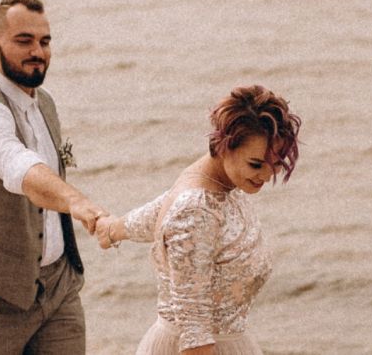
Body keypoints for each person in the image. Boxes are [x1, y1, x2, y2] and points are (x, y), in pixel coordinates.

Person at [0, 0, 107, 354]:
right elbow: (19, 166)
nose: (38, 51)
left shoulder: (44, 103)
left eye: (45, 41)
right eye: (24, 41)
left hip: (59, 289)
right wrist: (76, 201)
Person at [96, 86, 301, 355]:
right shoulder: (196, 209)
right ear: (224, 145)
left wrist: (112, 229)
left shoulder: (213, 182)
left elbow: (162, 212)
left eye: (275, 163)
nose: (265, 175)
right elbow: (194, 331)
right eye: (255, 164)